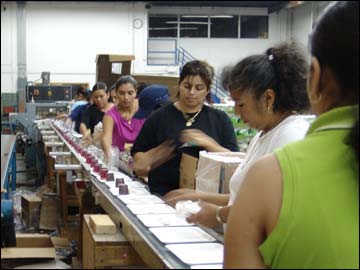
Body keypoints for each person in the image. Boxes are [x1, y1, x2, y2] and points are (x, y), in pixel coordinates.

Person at [224, 1, 359, 268]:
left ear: (316, 76)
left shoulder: (273, 175)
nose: (239, 113)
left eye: (241, 103)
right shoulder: (266, 142)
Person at [165, 42, 311, 228]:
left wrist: (219, 214)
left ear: (268, 98)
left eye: (241, 104)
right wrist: (198, 196)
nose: (237, 112)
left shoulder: (291, 136)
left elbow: (274, 207)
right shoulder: (262, 136)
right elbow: (242, 197)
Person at [131, 60, 239, 196]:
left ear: (207, 90)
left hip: (206, 199)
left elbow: (234, 163)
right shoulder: (158, 117)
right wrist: (165, 149)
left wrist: (208, 143)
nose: (191, 92)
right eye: (187, 86)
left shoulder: (220, 119)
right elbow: (138, 164)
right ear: (179, 85)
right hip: (163, 196)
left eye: (199, 88)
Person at [101, 75, 145, 161]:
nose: (126, 97)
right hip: (120, 161)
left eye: (130, 93)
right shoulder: (110, 115)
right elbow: (106, 138)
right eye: (121, 93)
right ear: (116, 94)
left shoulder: (143, 111)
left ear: (136, 92)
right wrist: (108, 154)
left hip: (141, 159)